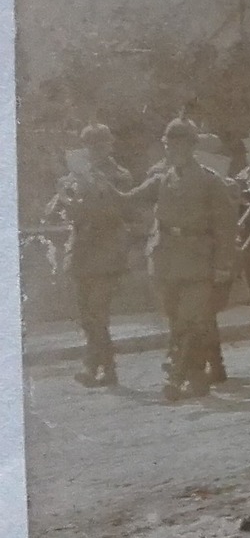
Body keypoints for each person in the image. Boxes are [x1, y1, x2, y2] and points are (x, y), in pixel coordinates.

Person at [120, 119, 239, 401]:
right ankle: (197, 377)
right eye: (168, 144)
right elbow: (128, 199)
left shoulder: (210, 180)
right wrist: (97, 188)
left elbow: (226, 224)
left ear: (192, 146)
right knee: (177, 321)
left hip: (199, 259)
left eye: (179, 144)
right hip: (167, 259)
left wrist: (223, 263)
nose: (173, 150)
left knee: (190, 319)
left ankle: (175, 378)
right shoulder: (162, 178)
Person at [48, 124, 134, 388]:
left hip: (107, 251)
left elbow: (115, 211)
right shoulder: (75, 176)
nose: (95, 151)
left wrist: (90, 185)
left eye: (100, 145)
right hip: (82, 252)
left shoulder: (119, 175)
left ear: (110, 145)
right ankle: (108, 369)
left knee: (97, 312)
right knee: (87, 316)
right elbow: (52, 213)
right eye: (90, 146)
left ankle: (91, 365)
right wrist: (62, 196)